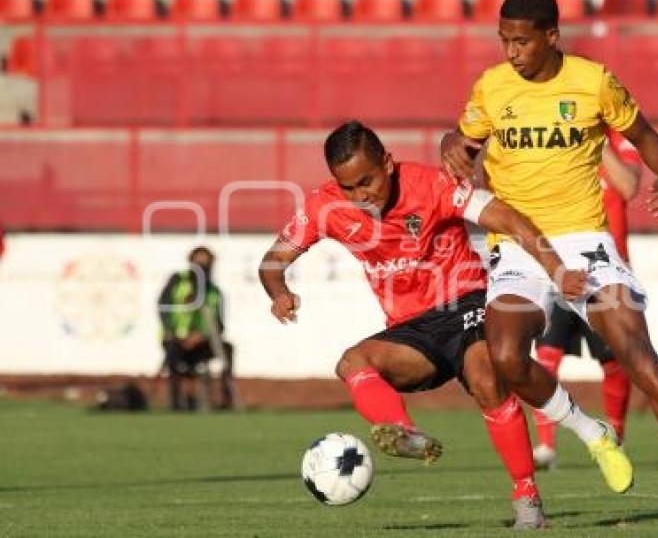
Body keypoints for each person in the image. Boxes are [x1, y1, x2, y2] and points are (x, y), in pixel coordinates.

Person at [439, 0, 658, 528]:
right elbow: (460, 141)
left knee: (635, 351)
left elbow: (646, 137)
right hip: (516, 245)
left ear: (551, 36)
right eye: (505, 40)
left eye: (522, 41)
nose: (512, 52)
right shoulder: (491, 87)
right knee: (506, 356)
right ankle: (591, 432)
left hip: (586, 242)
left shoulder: (593, 81)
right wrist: (450, 144)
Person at [259, 121, 631, 529]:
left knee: (486, 378)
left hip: (467, 302)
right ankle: (402, 433)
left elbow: (509, 219)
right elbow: (272, 261)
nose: (360, 196)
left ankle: (527, 499)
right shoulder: (324, 206)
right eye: (348, 188)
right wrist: (279, 292)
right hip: (413, 330)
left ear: (387, 162)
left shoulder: (432, 185)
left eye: (367, 181)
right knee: (352, 363)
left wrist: (556, 270)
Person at [532, 129, 641, 470]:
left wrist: (598, 142)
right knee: (546, 357)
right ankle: (546, 447)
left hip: (607, 275)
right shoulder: (558, 139)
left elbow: (628, 187)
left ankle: (616, 439)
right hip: (561, 271)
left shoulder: (618, 140)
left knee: (616, 361)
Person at [158, 246, 236, 411]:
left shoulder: (215, 292)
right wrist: (172, 332)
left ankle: (226, 400)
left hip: (202, 343)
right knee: (173, 354)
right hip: (177, 340)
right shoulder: (177, 283)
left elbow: (220, 324)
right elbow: (163, 307)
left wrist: (201, 336)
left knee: (228, 349)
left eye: (206, 264)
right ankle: (175, 403)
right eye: (198, 262)